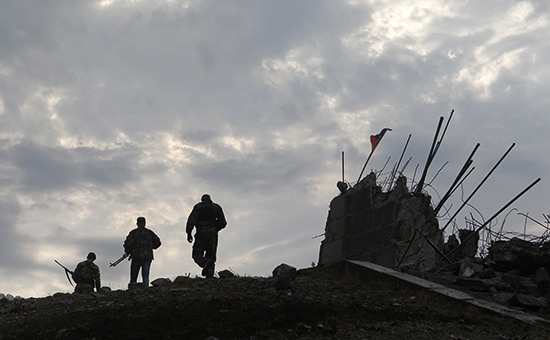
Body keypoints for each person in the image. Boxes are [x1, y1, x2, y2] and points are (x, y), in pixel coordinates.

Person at [186, 194, 227, 278]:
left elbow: (191, 220)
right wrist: (215, 228)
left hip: (202, 231)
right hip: (213, 234)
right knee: (211, 254)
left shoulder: (199, 207)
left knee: (197, 254)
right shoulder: (217, 207)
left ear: (202, 200)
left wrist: (189, 233)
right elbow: (223, 222)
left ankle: (205, 263)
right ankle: (209, 276)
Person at [123, 216, 161, 288]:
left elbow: (128, 244)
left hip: (136, 257)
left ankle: (132, 291)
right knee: (145, 275)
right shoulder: (149, 233)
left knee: (134, 277)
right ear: (145, 223)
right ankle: (145, 289)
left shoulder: (133, 233)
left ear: (137, 223)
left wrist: (128, 251)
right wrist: (150, 247)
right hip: (147, 257)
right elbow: (158, 242)